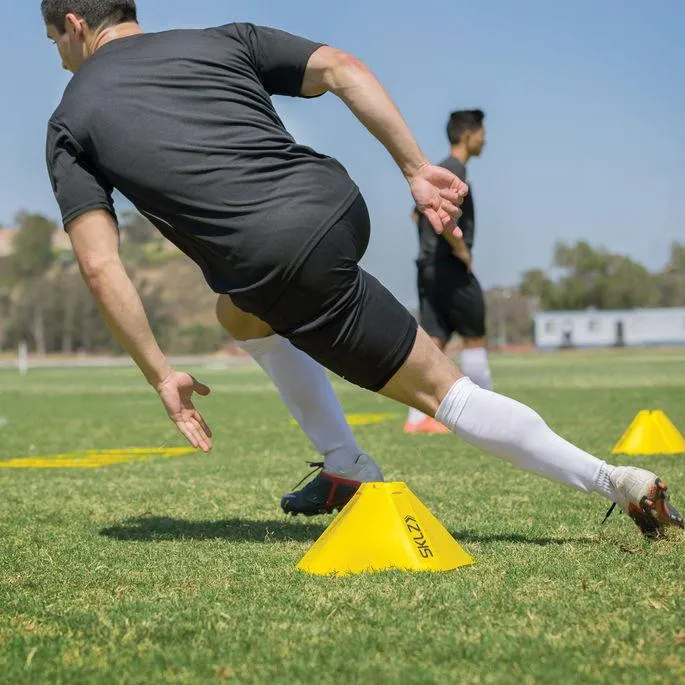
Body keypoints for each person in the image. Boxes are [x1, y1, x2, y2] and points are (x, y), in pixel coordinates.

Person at [42, 0, 682, 536]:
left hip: (282, 259)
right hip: (336, 201)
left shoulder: (72, 118)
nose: (61, 59)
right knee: (236, 311)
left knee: (446, 394)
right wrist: (415, 170)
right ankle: (343, 463)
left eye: (55, 44)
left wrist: (160, 374)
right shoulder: (222, 38)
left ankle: (617, 480)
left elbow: (101, 266)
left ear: (74, 23)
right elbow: (345, 69)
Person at [405, 110, 492, 434]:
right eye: (482, 132)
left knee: (434, 341)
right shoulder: (455, 172)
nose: (485, 138)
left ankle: (416, 420)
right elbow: (438, 217)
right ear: (468, 135)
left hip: (427, 266)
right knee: (475, 336)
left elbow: (417, 215)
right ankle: (488, 416)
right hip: (449, 266)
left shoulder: (438, 173)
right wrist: (461, 250)